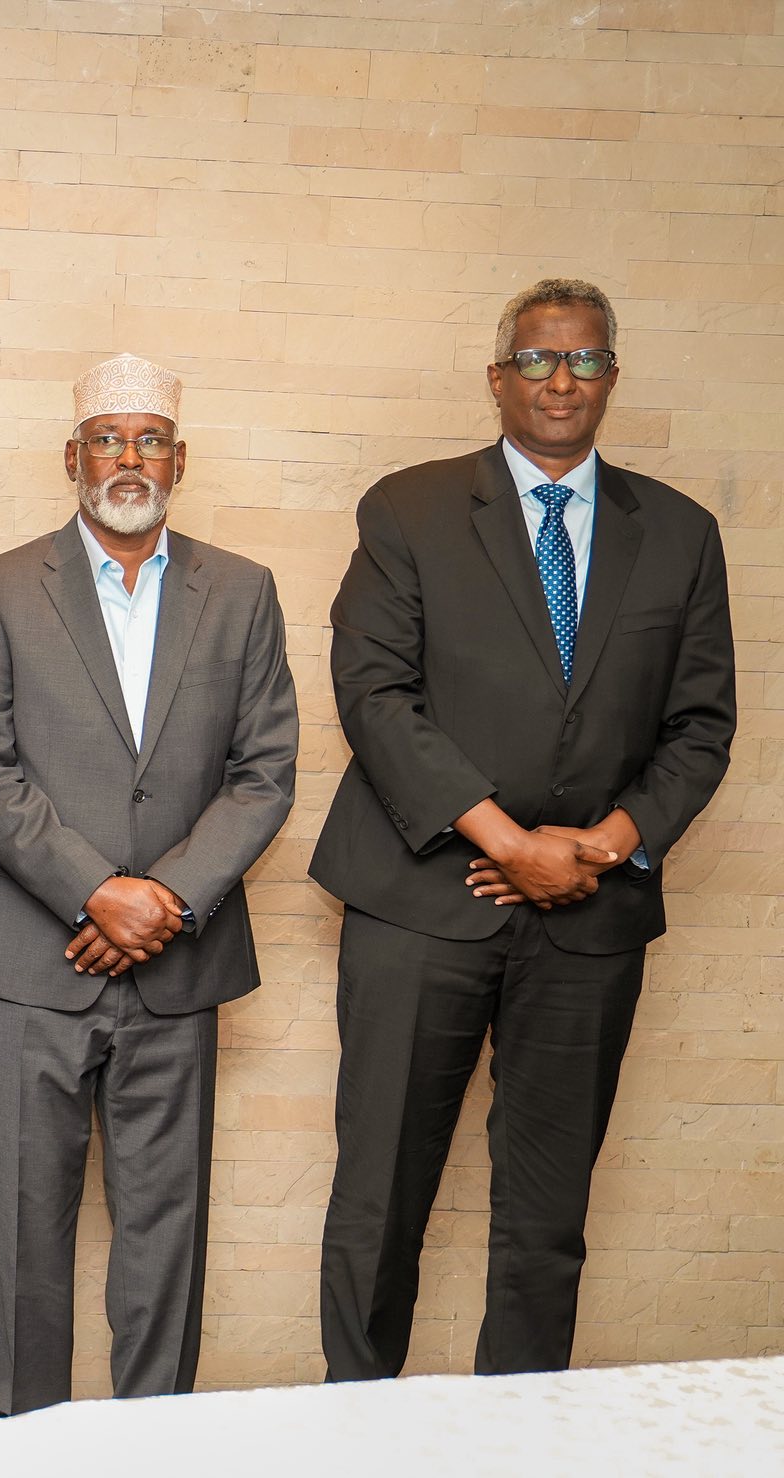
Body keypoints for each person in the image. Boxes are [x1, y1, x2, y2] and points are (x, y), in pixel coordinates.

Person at [312, 279, 737, 1379]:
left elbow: (699, 727)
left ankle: (524, 1437)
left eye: (584, 360)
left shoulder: (679, 534)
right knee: (379, 1203)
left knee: (547, 1221)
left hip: (590, 918)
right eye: (539, 360)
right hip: (420, 903)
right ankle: (354, 1432)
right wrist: (508, 843)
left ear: (611, 378)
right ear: (497, 377)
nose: (561, 381)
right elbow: (374, 695)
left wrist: (596, 849)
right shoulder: (407, 509)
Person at [0, 352, 297, 1411]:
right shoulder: (0, 587)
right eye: (107, 439)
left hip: (177, 971)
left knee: (164, 1244)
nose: (127, 459)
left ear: (179, 460)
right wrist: (98, 890)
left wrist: (165, 901)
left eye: (149, 440)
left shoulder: (241, 591)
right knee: (22, 1243)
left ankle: (153, 1453)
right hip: (24, 968)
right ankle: (22, 1453)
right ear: (72, 457)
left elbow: (264, 770)